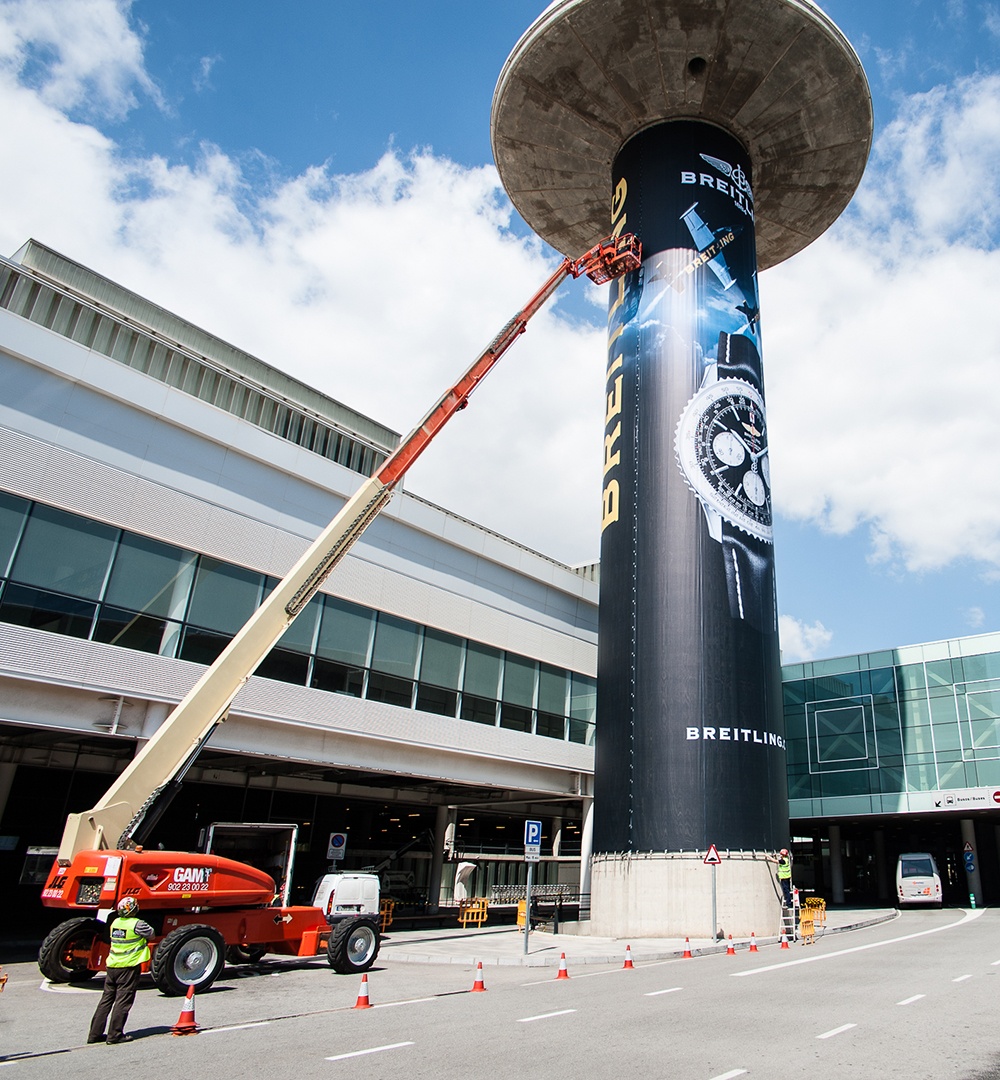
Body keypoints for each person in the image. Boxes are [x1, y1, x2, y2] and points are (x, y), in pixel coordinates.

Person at [88, 896, 154, 1045]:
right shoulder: (138, 924)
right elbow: (151, 934)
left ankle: (94, 1034)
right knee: (123, 1001)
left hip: (112, 965)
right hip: (128, 966)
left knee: (106, 1000)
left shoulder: (115, 922)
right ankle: (115, 1035)